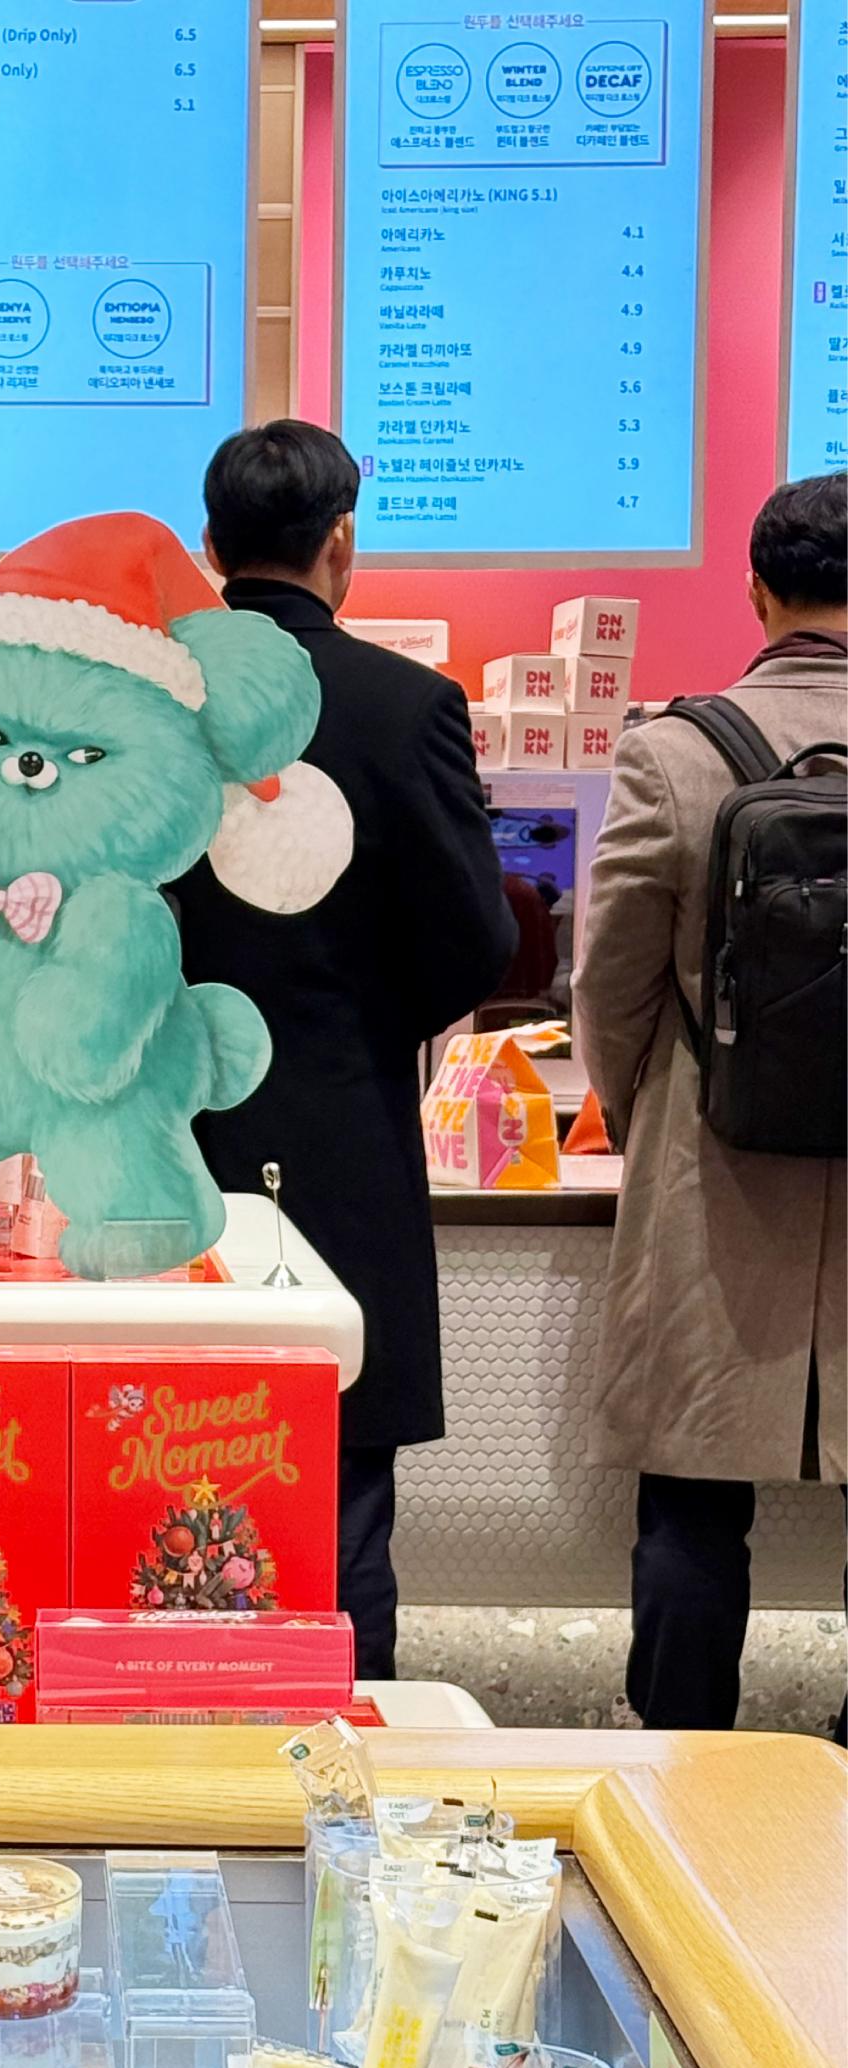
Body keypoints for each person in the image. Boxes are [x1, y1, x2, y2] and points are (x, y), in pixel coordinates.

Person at [174, 420, 518, 1677]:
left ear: (211, 545)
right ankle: (342, 1756)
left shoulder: (142, 701)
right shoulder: (403, 704)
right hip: (341, 1138)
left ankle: (157, 1738)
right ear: (340, 542)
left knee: (150, 1468)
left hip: (156, 1148)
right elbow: (476, 941)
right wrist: (366, 1018)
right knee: (337, 1494)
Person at [574, 472, 847, 1732]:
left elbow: (610, 987)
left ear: (755, 590)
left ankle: (680, 1764)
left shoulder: (675, 752)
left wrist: (647, 1113)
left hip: (715, 1176)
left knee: (691, 1502)